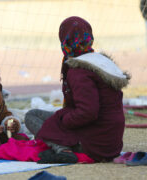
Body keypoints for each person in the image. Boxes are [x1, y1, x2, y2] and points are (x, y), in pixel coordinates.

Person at [25, 16, 131, 163]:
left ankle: (63, 150)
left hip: (94, 143)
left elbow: (88, 112)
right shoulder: (99, 62)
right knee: (35, 114)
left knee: (31, 118)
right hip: (110, 142)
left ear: (65, 40)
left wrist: (62, 122)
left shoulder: (79, 70)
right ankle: (63, 143)